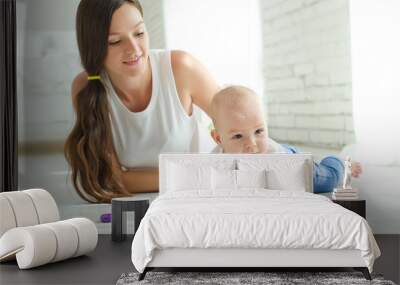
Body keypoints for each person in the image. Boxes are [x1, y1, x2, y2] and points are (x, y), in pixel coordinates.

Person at [64, 0, 219, 202]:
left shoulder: (180, 67)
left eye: (139, 33)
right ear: (93, 46)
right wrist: (191, 176)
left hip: (208, 194)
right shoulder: (86, 87)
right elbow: (109, 179)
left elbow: (241, 120)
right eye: (115, 41)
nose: (134, 49)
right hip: (166, 200)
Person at [209, 85, 363, 193]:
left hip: (291, 162)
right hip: (280, 149)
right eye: (238, 136)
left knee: (326, 180)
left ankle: (340, 164)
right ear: (218, 138)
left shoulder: (279, 159)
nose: (252, 145)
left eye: (259, 131)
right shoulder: (215, 159)